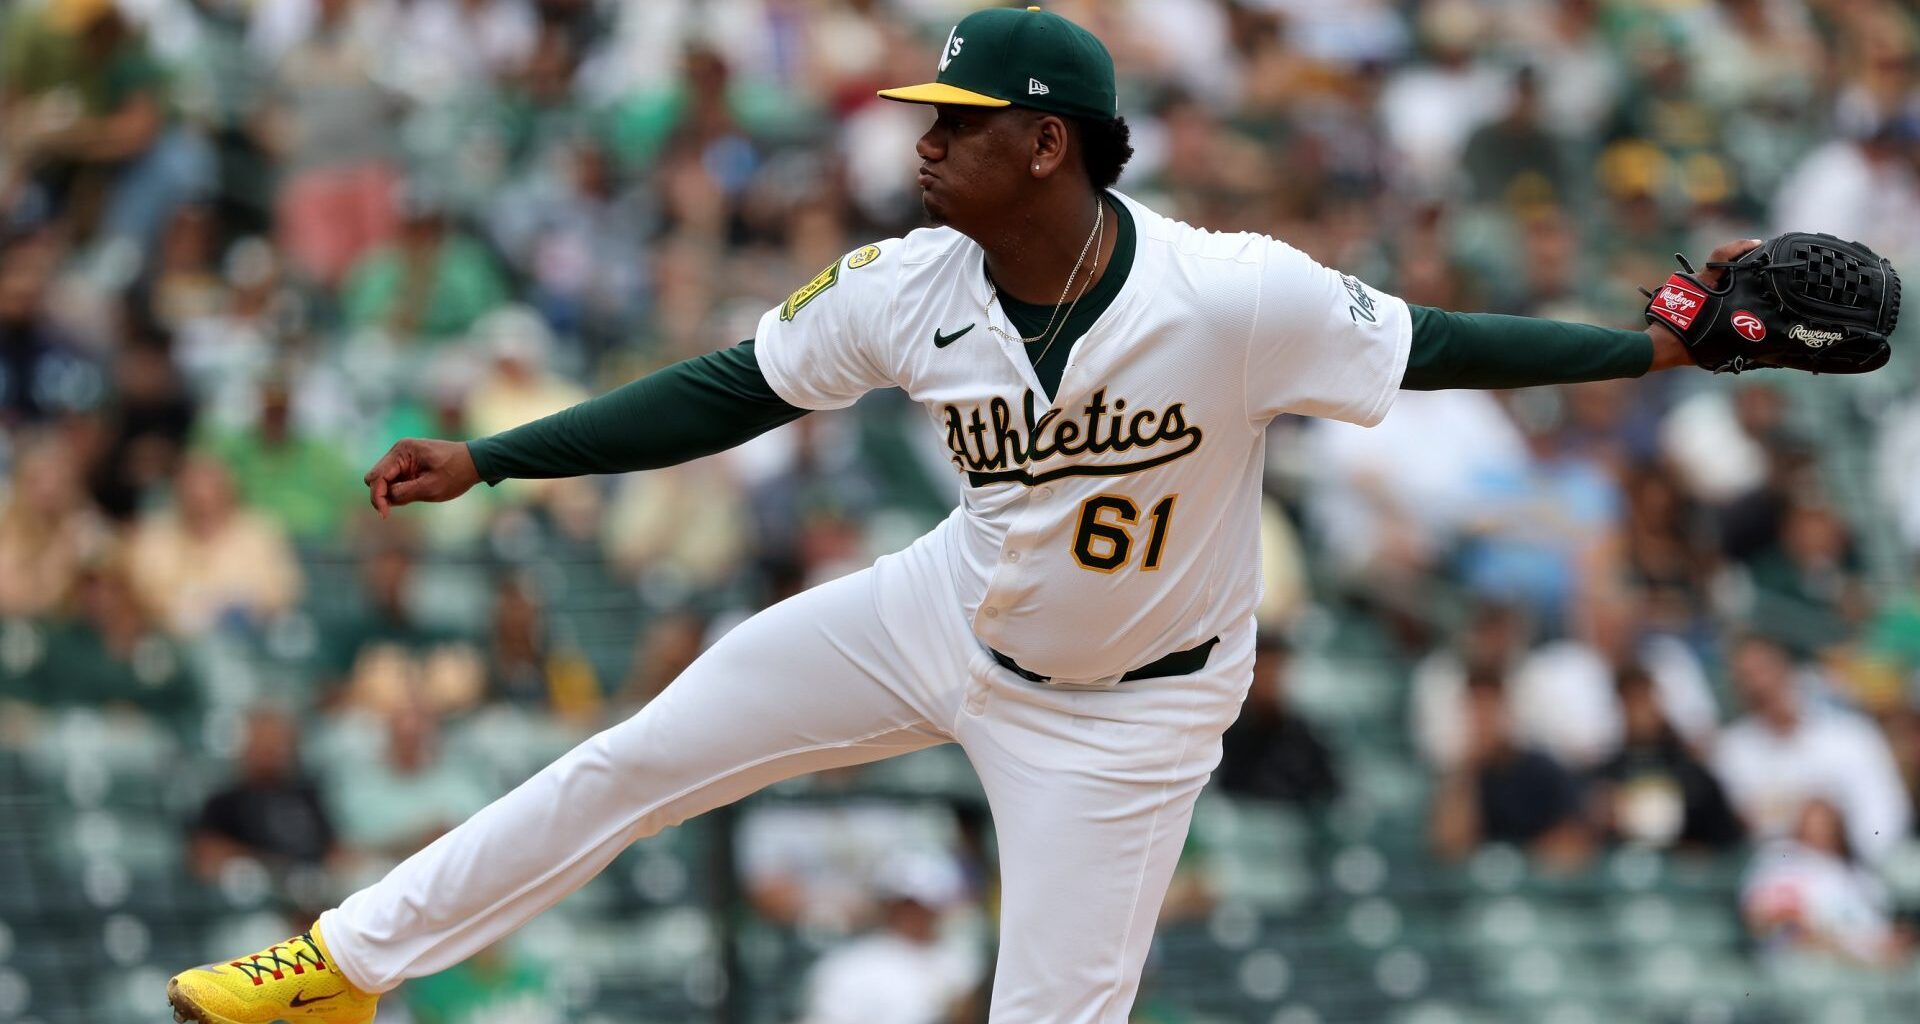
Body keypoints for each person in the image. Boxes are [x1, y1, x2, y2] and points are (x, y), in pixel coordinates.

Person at [165, 9, 1850, 1023]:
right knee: (640, 754)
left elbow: (1435, 345)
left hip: (1129, 713)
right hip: (943, 611)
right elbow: (728, 386)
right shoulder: (914, 286)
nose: (923, 144)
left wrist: (1654, 345)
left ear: (1049, 144)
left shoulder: (1231, 294)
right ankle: (343, 967)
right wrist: (504, 457)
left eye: (959, 124)